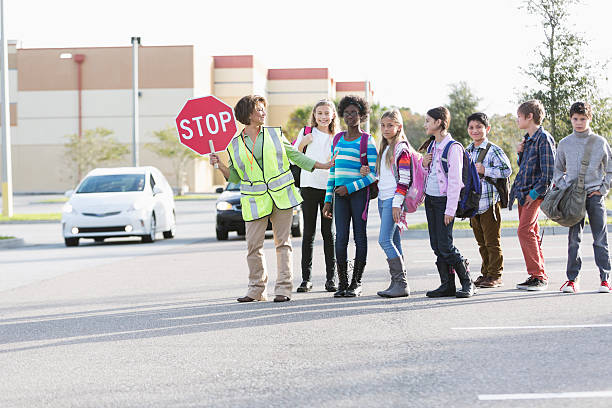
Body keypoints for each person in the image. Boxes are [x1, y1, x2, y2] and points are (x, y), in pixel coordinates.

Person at [210, 95, 335, 303]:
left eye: (263, 109)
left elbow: (295, 156)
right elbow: (234, 176)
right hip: (255, 200)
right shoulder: (234, 144)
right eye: (259, 109)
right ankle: (256, 289)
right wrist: (219, 165)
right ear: (247, 114)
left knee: (283, 244)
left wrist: (323, 165)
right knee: (253, 246)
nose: (263, 113)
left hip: (281, 197)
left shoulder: (275, 134)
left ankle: (284, 289)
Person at [553, 102, 612, 294]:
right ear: (570, 119)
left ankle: (605, 280)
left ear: (590, 119)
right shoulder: (564, 143)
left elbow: (609, 170)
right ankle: (572, 280)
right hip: (573, 198)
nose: (579, 122)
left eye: (583, 119)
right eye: (575, 119)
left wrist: (602, 189)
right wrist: (565, 188)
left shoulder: (600, 142)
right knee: (573, 240)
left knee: (600, 239)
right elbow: (556, 171)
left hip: (594, 196)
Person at [322, 95, 377, 298]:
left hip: (358, 195)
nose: (351, 116)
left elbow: (373, 174)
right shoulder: (337, 139)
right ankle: (343, 283)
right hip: (339, 196)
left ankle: (356, 282)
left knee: (359, 237)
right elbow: (333, 172)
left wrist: (351, 188)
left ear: (361, 115)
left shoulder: (367, 140)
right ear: (342, 115)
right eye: (347, 113)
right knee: (341, 238)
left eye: (354, 112)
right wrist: (328, 199)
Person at [420, 106, 475, 298]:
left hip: (445, 203)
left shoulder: (453, 148)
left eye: (428, 121)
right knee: (436, 244)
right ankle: (447, 284)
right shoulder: (432, 146)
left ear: (439, 122)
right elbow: (431, 175)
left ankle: (467, 282)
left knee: (446, 245)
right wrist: (424, 164)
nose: (425, 124)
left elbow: (454, 181)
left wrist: (450, 209)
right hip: (431, 200)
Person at [509, 99, 556, 291]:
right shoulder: (528, 139)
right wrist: (520, 153)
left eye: (519, 116)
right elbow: (526, 167)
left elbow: (548, 173)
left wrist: (534, 193)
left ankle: (538, 276)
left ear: (530, 117)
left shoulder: (544, 138)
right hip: (523, 192)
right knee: (532, 233)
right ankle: (537, 274)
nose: (517, 120)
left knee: (524, 231)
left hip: (533, 194)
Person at [293, 99, 339, 293]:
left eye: (327, 113)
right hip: (309, 186)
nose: (323, 117)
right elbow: (293, 154)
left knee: (329, 234)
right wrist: (303, 143)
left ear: (333, 115)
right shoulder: (306, 133)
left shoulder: (338, 136)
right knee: (309, 234)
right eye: (319, 113)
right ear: (314, 114)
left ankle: (331, 278)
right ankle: (306, 279)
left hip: (329, 188)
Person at [465, 113, 512, 288]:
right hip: (473, 204)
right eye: (471, 127)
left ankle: (495, 275)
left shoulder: (493, 150)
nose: (475, 130)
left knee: (492, 242)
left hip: (489, 203)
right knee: (481, 242)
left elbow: (507, 170)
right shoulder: (467, 150)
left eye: (479, 127)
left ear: (487, 129)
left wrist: (486, 169)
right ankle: (485, 273)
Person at [370, 109, 412, 297]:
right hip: (383, 198)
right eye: (383, 125)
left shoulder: (401, 148)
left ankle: (401, 283)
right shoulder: (385, 148)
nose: (386, 129)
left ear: (399, 127)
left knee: (384, 240)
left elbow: (404, 179)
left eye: (390, 125)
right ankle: (398, 283)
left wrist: (397, 203)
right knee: (394, 240)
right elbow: (385, 176)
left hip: (393, 201)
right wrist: (369, 174)